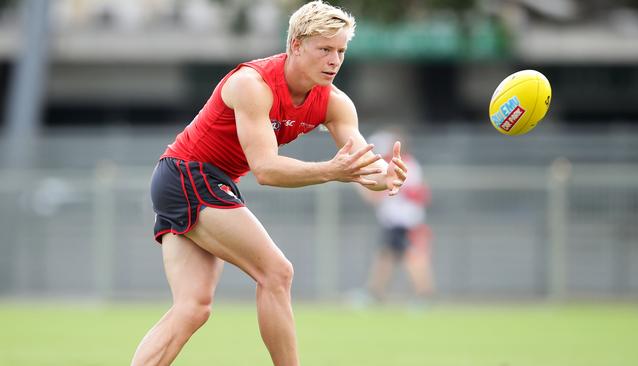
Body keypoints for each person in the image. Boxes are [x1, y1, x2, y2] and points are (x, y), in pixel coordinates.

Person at [130, 2, 408, 366]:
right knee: (277, 272)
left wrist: (382, 176)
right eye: (324, 49)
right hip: (187, 174)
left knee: (193, 308)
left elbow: (359, 163)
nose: (334, 60)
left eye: (340, 51)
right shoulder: (252, 84)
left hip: (203, 181)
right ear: (295, 45)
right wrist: (331, 171)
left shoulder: (336, 103)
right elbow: (266, 170)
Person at [358, 129, 434, 305]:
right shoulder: (410, 164)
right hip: (403, 219)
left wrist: (357, 181)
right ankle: (375, 292)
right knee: (386, 256)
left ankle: (424, 295)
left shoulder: (398, 167)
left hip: (401, 221)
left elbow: (374, 197)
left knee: (411, 257)